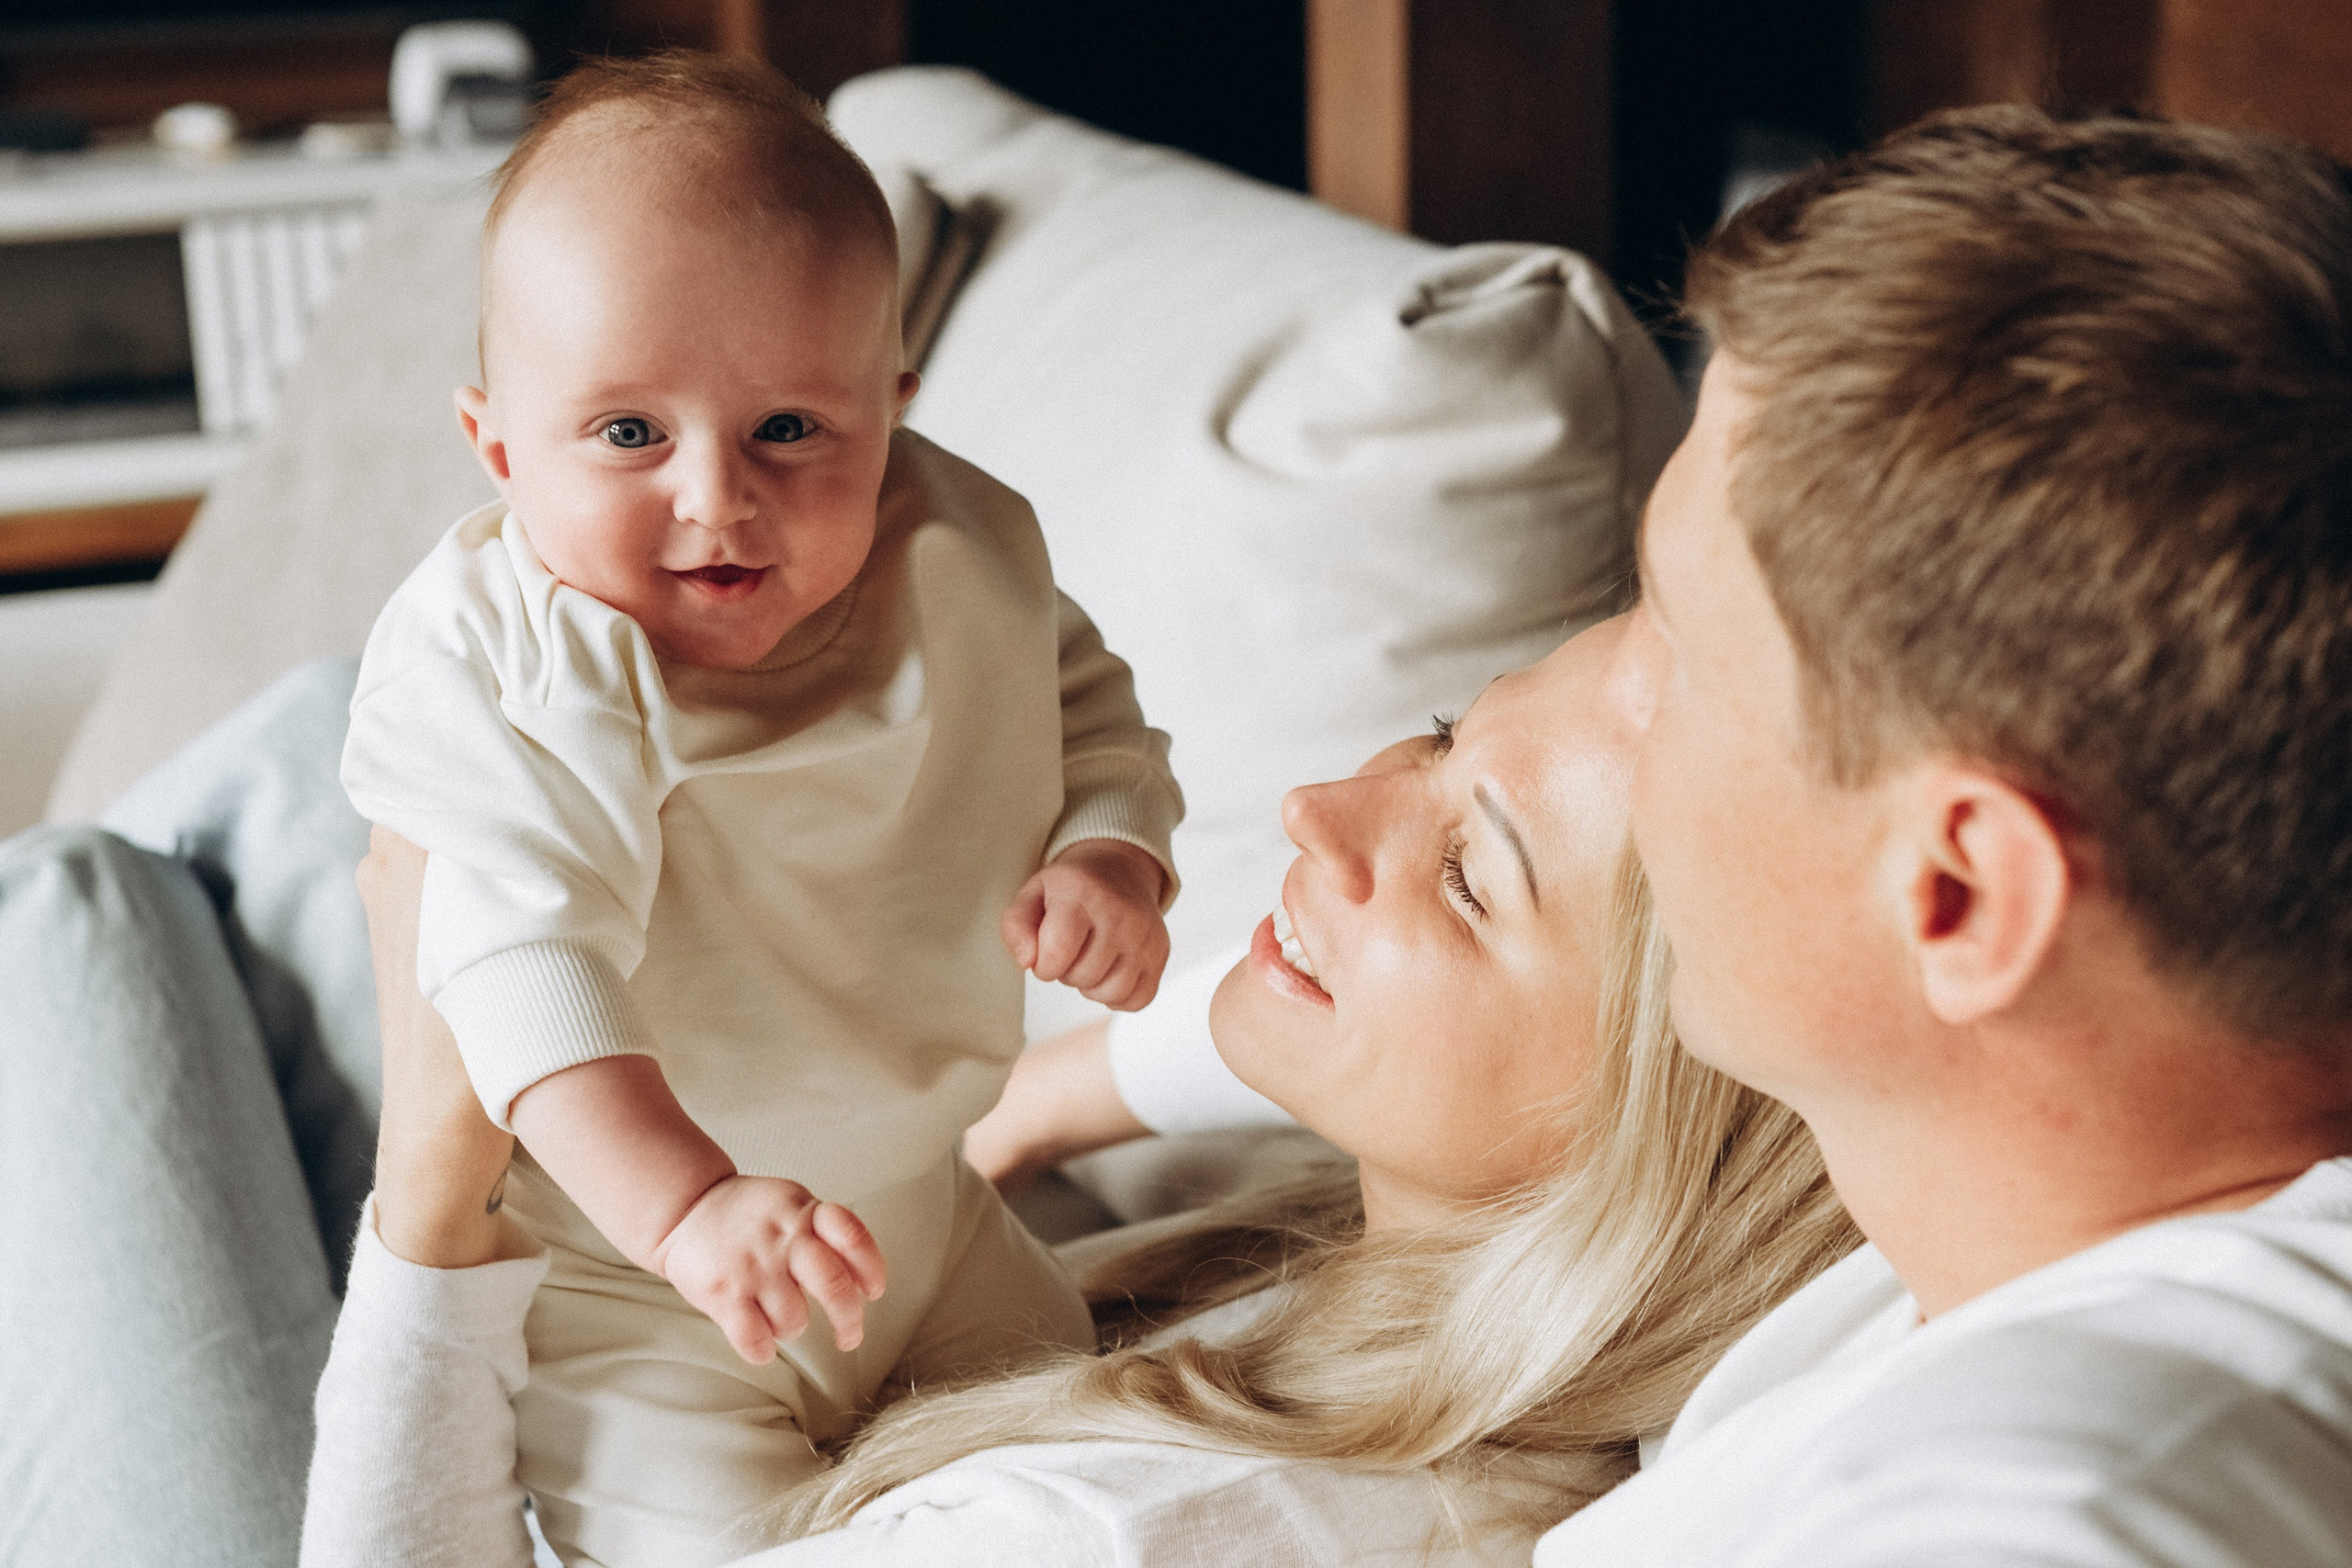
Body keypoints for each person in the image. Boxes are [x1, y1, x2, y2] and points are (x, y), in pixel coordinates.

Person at [300, 621, 1860, 1565]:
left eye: (1465, 873)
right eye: (1446, 734)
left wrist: (438, 1174)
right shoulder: (1421, 1321)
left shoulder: (1115, 1538)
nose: (1322, 809)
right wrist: (1039, 1106)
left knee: (88, 914)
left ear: (1660, 1124)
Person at [337, 53, 1182, 1565]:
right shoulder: (514, 659)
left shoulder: (962, 552)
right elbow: (522, 968)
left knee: (1102, 1463)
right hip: (634, 1281)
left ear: (897, 411)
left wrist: (1109, 845)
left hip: (921, 1220)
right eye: (627, 435)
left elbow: (1089, 707)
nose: (717, 498)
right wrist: (689, 1208)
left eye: (793, 429)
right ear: (495, 445)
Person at [1527, 107, 2352, 1564]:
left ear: (1957, 891)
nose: (1611, 688)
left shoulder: (2052, 1494)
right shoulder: (2013, 1224)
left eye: (1681, 641)